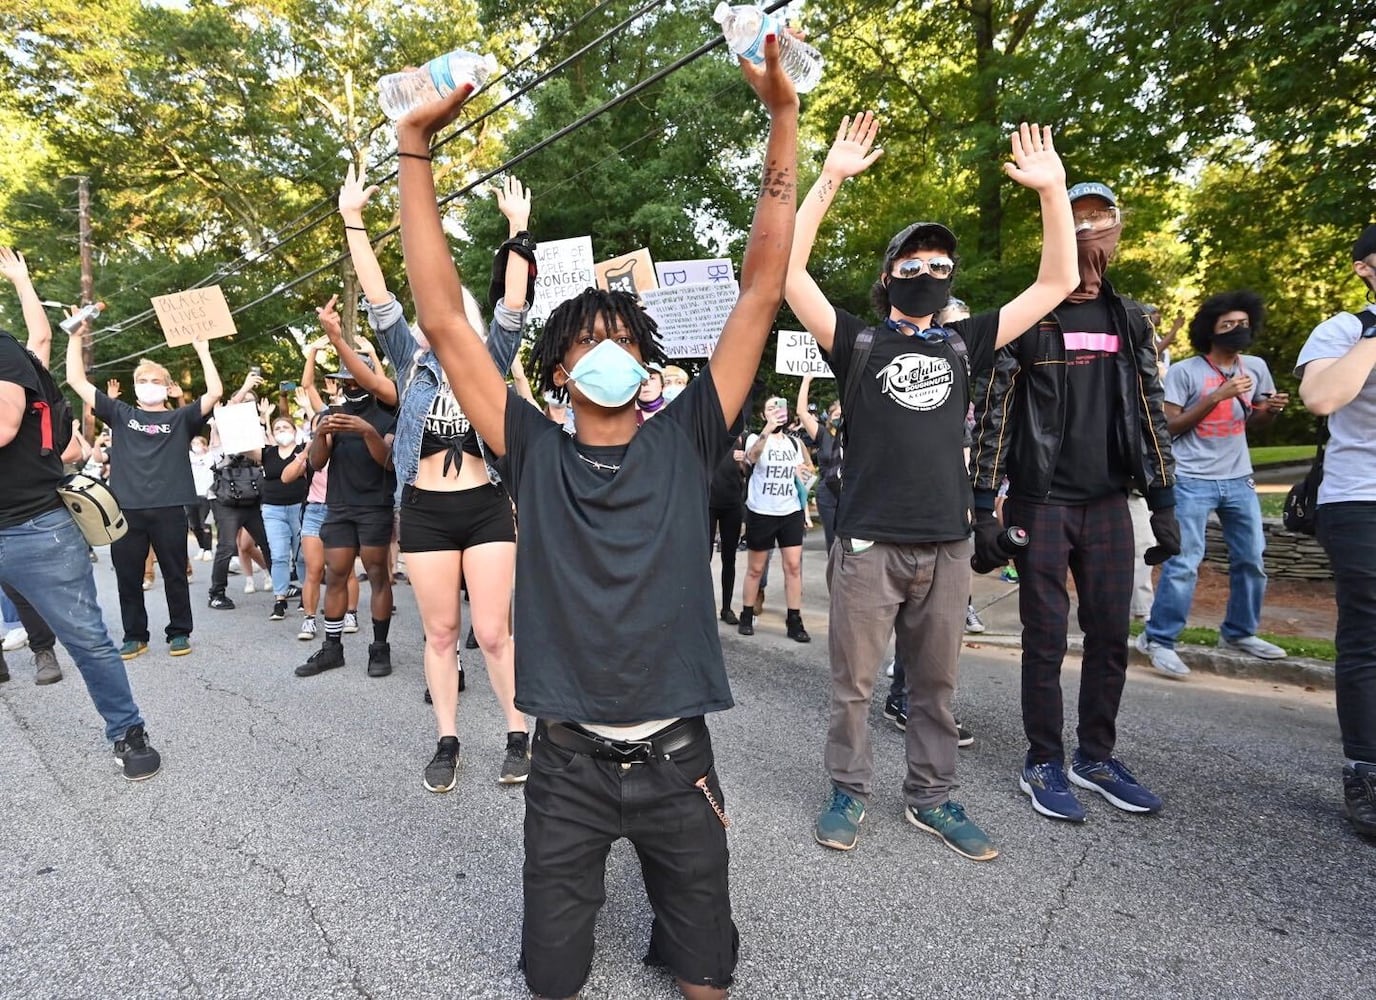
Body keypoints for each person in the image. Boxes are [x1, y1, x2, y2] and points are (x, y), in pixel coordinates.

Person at [397, 38, 796, 999]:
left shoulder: (692, 432)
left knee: (709, 979)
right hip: (567, 764)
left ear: (652, 365)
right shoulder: (530, 449)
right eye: (587, 342)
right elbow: (448, 322)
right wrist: (415, 149)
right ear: (560, 372)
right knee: (552, 982)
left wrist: (782, 115)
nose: (608, 352)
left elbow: (760, 289)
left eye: (625, 339)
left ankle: (680, 914)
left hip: (677, 758)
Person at [785, 111, 1077, 860]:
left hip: (947, 544)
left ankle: (934, 798)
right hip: (868, 544)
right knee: (853, 684)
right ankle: (848, 791)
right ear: (888, 277)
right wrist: (830, 180)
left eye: (938, 265)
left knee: (935, 686)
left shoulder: (965, 339)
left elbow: (1059, 281)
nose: (926, 274)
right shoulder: (857, 340)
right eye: (911, 265)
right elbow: (788, 274)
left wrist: (1054, 190)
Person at [972, 179, 1179, 824]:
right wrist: (984, 507)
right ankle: (1044, 760)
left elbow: (1150, 409)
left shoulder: (1133, 319)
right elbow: (996, 417)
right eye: (1075, 218)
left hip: (1109, 503)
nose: (1088, 230)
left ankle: (1096, 757)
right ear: (1057, 230)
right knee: (1044, 638)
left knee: (1112, 633)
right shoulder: (1028, 318)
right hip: (1043, 503)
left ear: (1118, 232)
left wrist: (1165, 500)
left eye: (1100, 219)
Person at [340, 163, 532, 789]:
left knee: (493, 632)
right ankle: (447, 739)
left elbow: (514, 305)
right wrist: (353, 220)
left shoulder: (489, 359)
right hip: (423, 509)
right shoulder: (408, 359)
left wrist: (519, 231)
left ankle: (517, 732)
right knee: (441, 631)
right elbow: (378, 298)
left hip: (484, 507)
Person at [0, 277, 160, 778]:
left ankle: (127, 731)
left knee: (87, 638)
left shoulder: (3, 351)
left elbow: (4, 426)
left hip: (34, 527)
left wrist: (23, 283)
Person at [1136, 290, 1289, 678]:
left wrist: (1267, 411)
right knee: (1185, 562)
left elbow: (1251, 422)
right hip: (1191, 479)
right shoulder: (1188, 372)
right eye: (1228, 325)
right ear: (1210, 331)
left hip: (1239, 478)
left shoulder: (1255, 366)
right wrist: (1216, 395)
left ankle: (1238, 633)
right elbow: (1169, 427)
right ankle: (1160, 639)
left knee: (1252, 558)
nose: (1238, 330)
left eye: (1243, 324)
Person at [66, 327, 222, 659]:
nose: (148, 385)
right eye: (142, 380)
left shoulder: (180, 418)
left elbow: (214, 392)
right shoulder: (122, 414)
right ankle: (135, 635)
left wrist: (203, 350)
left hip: (169, 508)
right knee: (128, 576)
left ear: (167, 388)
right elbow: (77, 382)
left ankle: (179, 632)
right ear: (135, 388)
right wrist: (75, 338)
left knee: (175, 574)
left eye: (155, 380)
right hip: (126, 510)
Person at [1296, 222, 1376, 839]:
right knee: (1368, 637)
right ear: (1365, 268)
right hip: (1361, 498)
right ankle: (1366, 772)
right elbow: (1322, 397)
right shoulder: (1346, 330)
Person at [295, 303, 397, 679]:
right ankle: (332, 648)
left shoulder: (387, 413)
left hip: (374, 506)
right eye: (345, 380)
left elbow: (389, 462)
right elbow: (317, 463)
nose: (350, 385)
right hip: (337, 507)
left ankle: (379, 648)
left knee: (377, 574)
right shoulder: (328, 415)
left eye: (356, 379)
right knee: (335, 574)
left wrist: (366, 431)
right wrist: (324, 434)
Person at [736, 395, 811, 642]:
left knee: (793, 566)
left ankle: (794, 619)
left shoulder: (794, 443)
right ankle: (746, 615)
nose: (777, 411)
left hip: (789, 511)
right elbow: (751, 459)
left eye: (780, 407)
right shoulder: (755, 439)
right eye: (771, 408)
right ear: (763, 415)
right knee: (756, 568)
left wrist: (805, 476)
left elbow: (802, 474)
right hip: (762, 511)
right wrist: (767, 429)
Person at [261, 413, 308, 620]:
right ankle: (280, 599)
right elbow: (240, 441)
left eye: (285, 428)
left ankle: (307, 594)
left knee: (302, 556)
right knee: (279, 555)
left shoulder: (303, 450)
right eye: (277, 428)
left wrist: (307, 406)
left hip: (299, 508)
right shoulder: (267, 453)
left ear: (294, 431)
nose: (282, 431)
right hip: (273, 509)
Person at [795, 374, 841, 551]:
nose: (839, 417)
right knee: (833, 542)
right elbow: (801, 412)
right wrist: (806, 380)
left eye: (842, 414)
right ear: (829, 417)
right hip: (828, 494)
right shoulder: (823, 434)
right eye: (836, 414)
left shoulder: (854, 434)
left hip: (850, 493)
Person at [708, 431, 747, 625]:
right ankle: (702, 607)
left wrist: (743, 462)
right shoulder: (707, 430)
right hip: (707, 502)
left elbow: (750, 469)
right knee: (703, 559)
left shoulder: (742, 436)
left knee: (729, 558)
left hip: (732, 503)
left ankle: (726, 608)